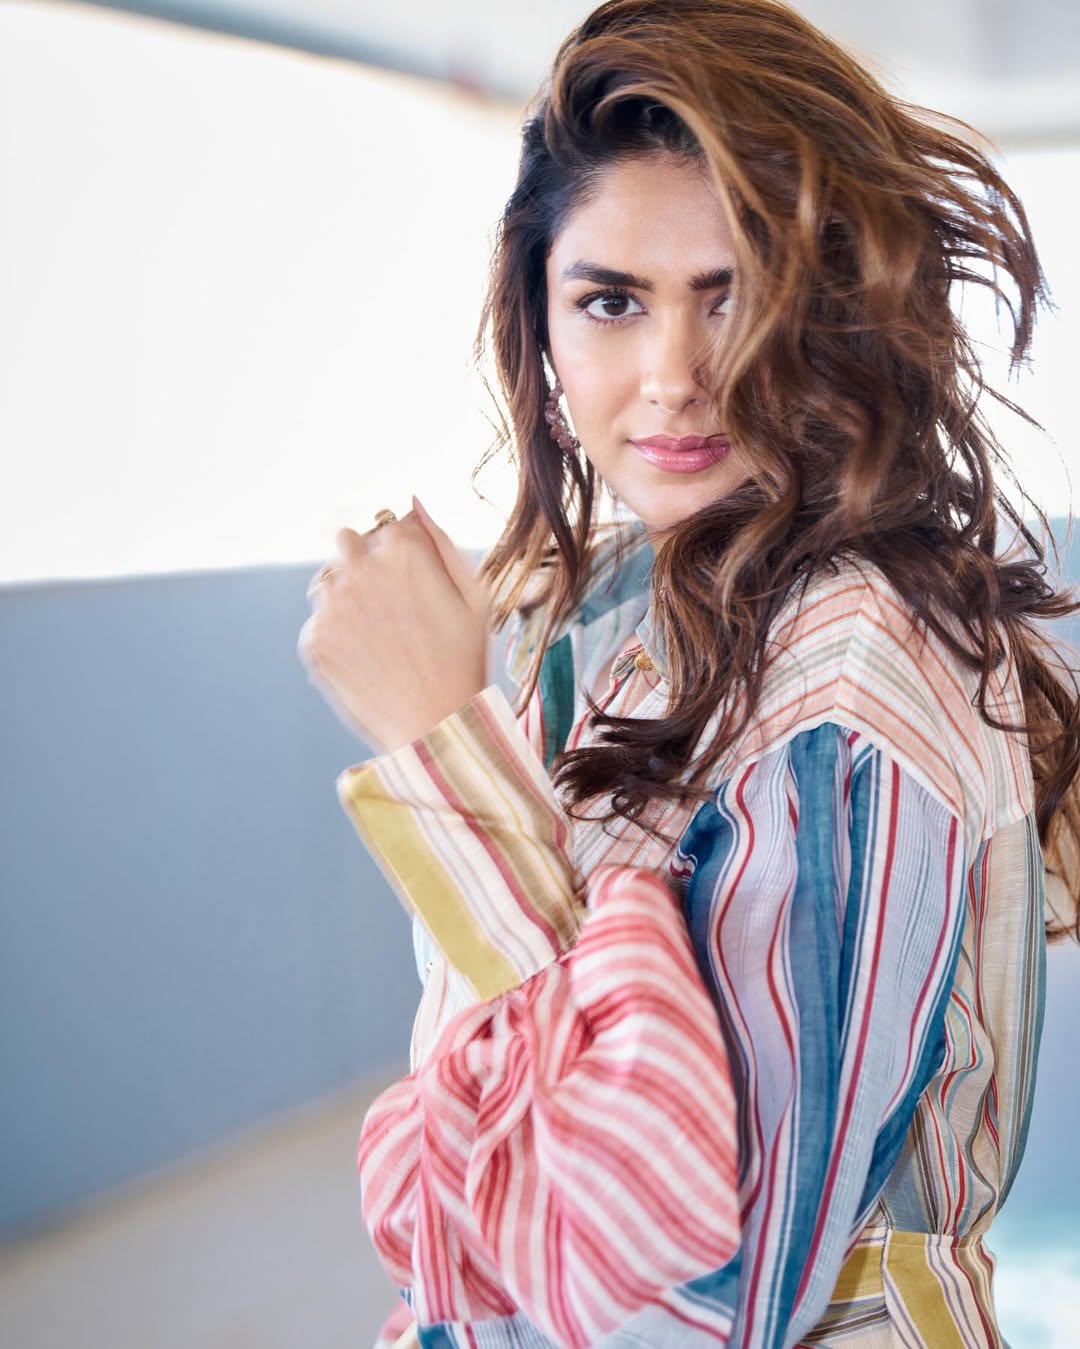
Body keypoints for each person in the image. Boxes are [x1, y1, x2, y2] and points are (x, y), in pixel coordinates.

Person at [297, 1, 1080, 1344]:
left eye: (737, 295)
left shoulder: (856, 673)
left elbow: (708, 1293)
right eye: (612, 301)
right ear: (542, 327)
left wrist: (442, 751)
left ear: (841, 316)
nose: (675, 377)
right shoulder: (614, 608)